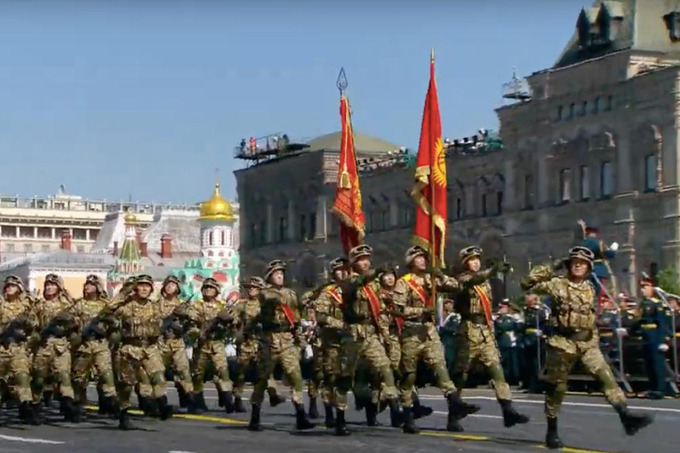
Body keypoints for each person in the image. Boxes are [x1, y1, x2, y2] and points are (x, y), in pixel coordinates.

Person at [522, 246, 653, 449]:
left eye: (582, 263)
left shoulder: (590, 287)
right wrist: (551, 267)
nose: (578, 265)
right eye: (574, 262)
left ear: (588, 267)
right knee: (557, 389)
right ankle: (552, 429)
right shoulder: (557, 284)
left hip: (587, 342)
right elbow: (527, 283)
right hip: (562, 343)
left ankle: (626, 416)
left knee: (605, 376)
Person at [391, 245, 480, 434]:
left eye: (424, 257)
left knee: (440, 366)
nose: (423, 260)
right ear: (410, 262)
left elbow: (456, 286)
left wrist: (439, 274)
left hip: (429, 331)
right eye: (418, 258)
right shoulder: (403, 283)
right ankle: (408, 415)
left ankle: (455, 402)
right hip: (411, 332)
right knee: (409, 376)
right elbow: (397, 310)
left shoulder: (431, 279)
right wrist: (420, 311)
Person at [452, 246, 529, 432]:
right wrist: (493, 271)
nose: (476, 262)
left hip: (485, 330)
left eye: (478, 258)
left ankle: (508, 410)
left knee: (497, 369)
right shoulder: (463, 279)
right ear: (465, 263)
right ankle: (453, 412)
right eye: (472, 259)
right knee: (461, 374)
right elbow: (474, 280)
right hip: (468, 331)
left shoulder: (485, 283)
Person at [334, 244, 399, 436]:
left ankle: (395, 406)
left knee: (384, 366)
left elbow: (383, 303)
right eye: (361, 259)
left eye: (367, 259)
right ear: (354, 263)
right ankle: (340, 418)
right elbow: (357, 284)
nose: (365, 262)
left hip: (370, 331)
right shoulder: (348, 282)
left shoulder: (374, 285)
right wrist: (374, 273)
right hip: (353, 334)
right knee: (346, 379)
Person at [247, 260, 314, 432]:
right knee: (262, 380)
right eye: (276, 274)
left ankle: (301, 415)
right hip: (268, 341)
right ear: (270, 277)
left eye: (282, 273)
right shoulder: (264, 293)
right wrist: (276, 298)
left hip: (286, 339)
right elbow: (267, 300)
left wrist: (301, 340)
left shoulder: (290, 293)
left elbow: (296, 319)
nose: (280, 276)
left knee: (296, 377)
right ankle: (255, 417)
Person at [104, 274, 172, 429]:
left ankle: (162, 404)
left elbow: (169, 313)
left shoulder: (155, 306)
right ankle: (124, 412)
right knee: (127, 385)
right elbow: (108, 309)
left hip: (150, 347)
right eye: (140, 285)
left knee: (159, 376)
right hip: (130, 348)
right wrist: (123, 292)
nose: (143, 288)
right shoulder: (127, 306)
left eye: (147, 286)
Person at [31, 273, 79, 422]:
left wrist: (69, 322)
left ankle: (68, 405)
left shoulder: (67, 306)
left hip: (60, 346)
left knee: (64, 376)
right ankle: (35, 406)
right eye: (47, 285)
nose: (49, 287)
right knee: (39, 379)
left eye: (53, 285)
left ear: (59, 287)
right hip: (44, 346)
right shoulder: (39, 305)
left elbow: (76, 322)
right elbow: (32, 323)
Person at [71, 275, 117, 417]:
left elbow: (115, 322)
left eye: (91, 284)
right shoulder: (78, 304)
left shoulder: (105, 305)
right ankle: (78, 404)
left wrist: (109, 321)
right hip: (83, 345)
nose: (87, 287)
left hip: (100, 344)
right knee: (79, 378)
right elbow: (69, 321)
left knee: (105, 372)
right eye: (86, 284)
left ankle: (111, 402)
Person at [187, 278, 234, 413]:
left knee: (223, 371)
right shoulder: (196, 306)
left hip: (217, 343)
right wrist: (200, 332)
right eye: (206, 287)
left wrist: (227, 321)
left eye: (211, 288)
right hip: (202, 344)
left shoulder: (222, 307)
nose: (208, 290)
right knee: (198, 374)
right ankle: (198, 401)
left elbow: (232, 324)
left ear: (216, 291)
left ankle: (227, 398)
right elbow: (191, 324)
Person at [0, 275, 40, 424]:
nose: (9, 288)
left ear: (19, 289)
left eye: (13, 286)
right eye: (7, 286)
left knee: (22, 376)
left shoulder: (25, 307)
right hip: (2, 347)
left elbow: (34, 326)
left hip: (19, 348)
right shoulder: (1, 304)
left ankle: (26, 405)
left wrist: (26, 331)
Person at [636, 278, 673, 399]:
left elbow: (662, 323)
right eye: (642, 287)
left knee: (658, 365)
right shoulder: (643, 304)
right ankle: (652, 388)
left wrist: (663, 340)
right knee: (649, 364)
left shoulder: (658, 304)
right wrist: (629, 331)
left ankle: (660, 389)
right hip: (645, 337)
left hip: (655, 337)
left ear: (652, 288)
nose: (643, 290)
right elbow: (640, 321)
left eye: (646, 287)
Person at [494, 300, 522, 386]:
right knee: (503, 362)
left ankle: (514, 379)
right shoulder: (497, 318)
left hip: (512, 342)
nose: (501, 309)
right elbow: (498, 328)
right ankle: (505, 378)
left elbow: (516, 327)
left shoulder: (513, 318)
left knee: (513, 362)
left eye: (504, 307)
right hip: (502, 342)